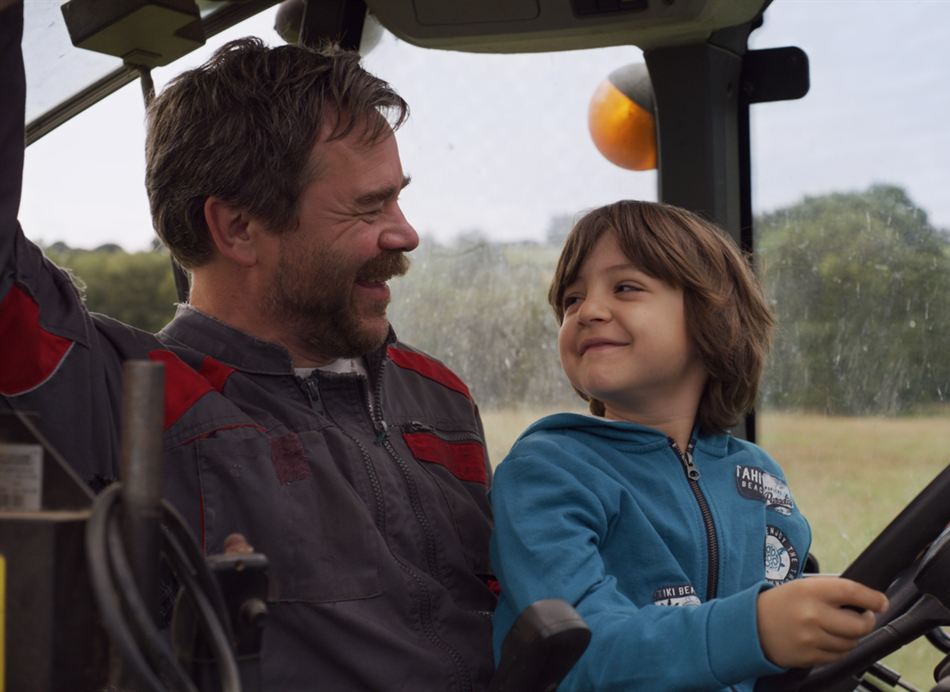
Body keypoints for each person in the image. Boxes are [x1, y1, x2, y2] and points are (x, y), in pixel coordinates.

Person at [1, 4, 495, 689]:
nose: (406, 234)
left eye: (398, 200)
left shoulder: (438, 395)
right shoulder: (123, 396)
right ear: (238, 228)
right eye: (368, 208)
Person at [489, 200, 889, 690]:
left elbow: (787, 607)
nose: (587, 311)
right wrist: (754, 628)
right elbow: (581, 653)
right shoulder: (548, 473)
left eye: (625, 288)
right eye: (571, 300)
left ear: (711, 317)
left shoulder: (757, 478)